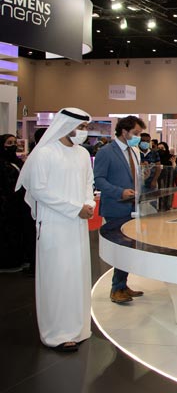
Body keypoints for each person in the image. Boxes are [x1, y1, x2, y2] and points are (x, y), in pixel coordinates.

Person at [15, 108, 95, 352]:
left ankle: (79, 327)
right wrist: (74, 208)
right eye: (81, 127)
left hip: (78, 223)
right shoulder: (45, 153)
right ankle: (57, 333)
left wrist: (88, 205)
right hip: (54, 223)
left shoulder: (82, 153)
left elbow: (88, 183)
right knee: (57, 277)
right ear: (66, 125)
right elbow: (39, 190)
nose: (84, 132)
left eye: (85, 128)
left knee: (77, 275)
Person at [93, 115, 147, 304]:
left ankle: (122, 284)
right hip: (115, 207)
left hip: (133, 206)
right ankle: (116, 288)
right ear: (124, 132)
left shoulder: (134, 152)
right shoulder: (106, 152)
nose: (138, 137)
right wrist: (120, 192)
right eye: (135, 133)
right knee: (121, 248)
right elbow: (99, 180)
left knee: (129, 248)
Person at [0, 134, 34, 272]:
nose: (13, 145)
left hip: (19, 204)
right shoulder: (2, 163)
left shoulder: (17, 162)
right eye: (9, 143)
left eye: (15, 142)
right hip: (6, 205)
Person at [156, 141, 176, 211]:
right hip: (158, 179)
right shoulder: (155, 156)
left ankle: (167, 207)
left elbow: (175, 169)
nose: (160, 150)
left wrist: (173, 162)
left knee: (168, 193)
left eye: (162, 148)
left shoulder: (170, 157)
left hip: (169, 179)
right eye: (158, 148)